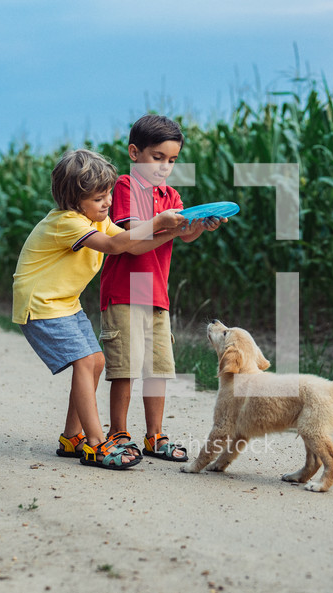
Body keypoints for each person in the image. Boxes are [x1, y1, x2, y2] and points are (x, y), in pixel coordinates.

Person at [12, 148, 186, 470]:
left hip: (65, 304)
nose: (107, 203)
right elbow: (114, 246)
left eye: (108, 194)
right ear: (74, 200)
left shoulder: (97, 219)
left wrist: (174, 230)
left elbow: (132, 244)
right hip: (41, 306)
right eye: (98, 198)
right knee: (84, 361)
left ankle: (71, 437)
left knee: (96, 362)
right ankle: (95, 443)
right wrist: (157, 221)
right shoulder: (67, 222)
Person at [98, 114, 224, 462]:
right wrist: (167, 225)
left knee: (158, 368)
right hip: (124, 290)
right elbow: (134, 241)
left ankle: (154, 436)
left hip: (155, 293)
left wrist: (199, 225)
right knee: (125, 366)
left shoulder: (172, 195)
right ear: (135, 152)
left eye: (172, 160)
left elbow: (181, 234)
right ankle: (118, 433)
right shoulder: (125, 187)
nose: (165, 167)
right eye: (157, 158)